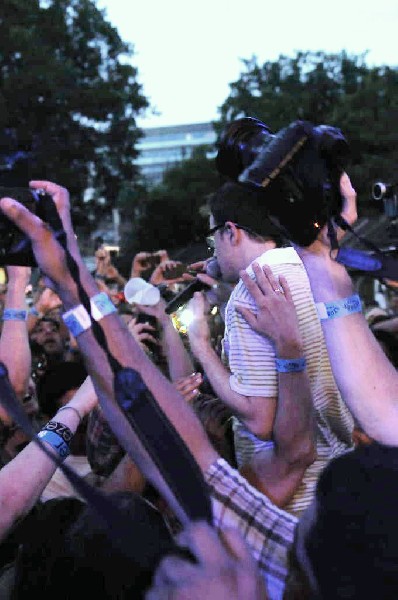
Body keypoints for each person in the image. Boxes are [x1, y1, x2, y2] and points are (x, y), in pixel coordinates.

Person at [186, 179, 354, 515]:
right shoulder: (312, 267)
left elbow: (259, 418)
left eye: (212, 239)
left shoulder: (251, 291)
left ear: (231, 232)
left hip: (295, 498)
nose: (214, 252)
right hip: (340, 472)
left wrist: (200, 343)